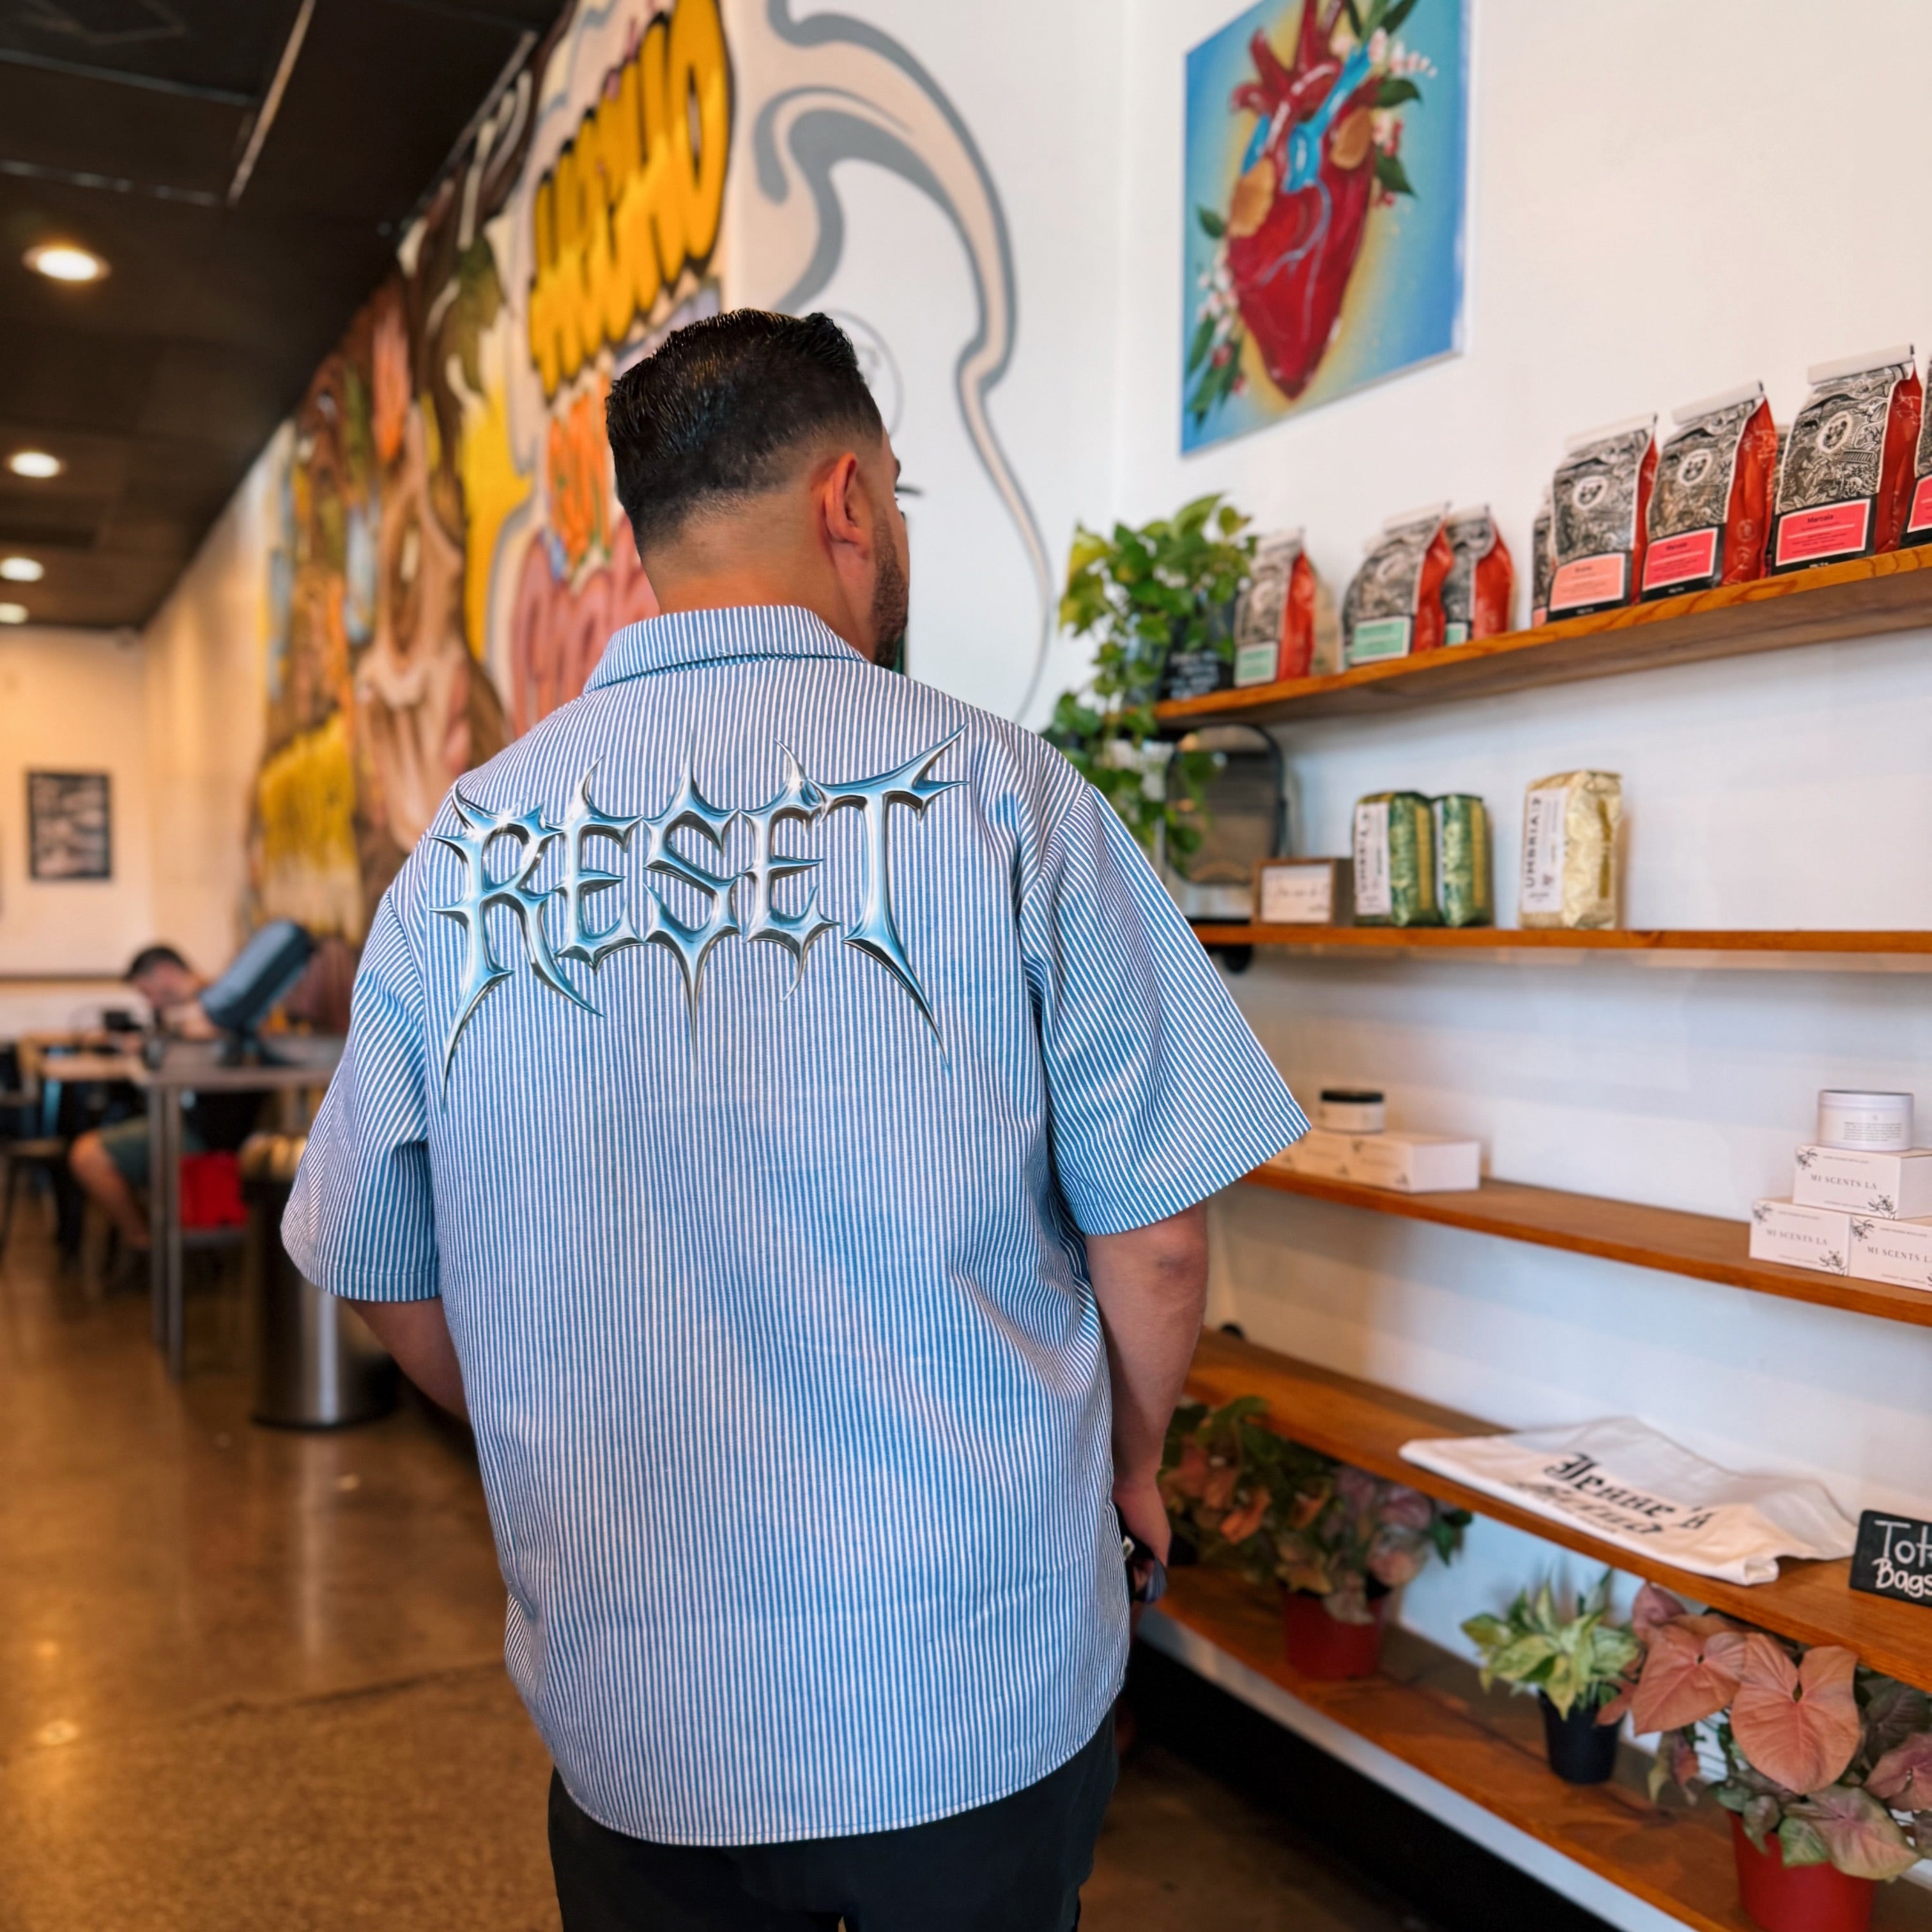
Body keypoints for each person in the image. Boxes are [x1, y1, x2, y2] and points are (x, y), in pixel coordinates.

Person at [284, 310, 1307, 1931]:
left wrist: (564, 1431)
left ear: (648, 533)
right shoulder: (1008, 796)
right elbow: (1159, 1240)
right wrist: (1128, 1464)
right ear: (850, 500)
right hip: (968, 1680)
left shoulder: (468, 847)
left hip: (635, 1713)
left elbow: (376, 1261)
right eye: (899, 498)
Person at [68, 944, 217, 1253]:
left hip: (205, 1132)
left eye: (149, 992)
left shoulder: (211, 1005)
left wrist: (153, 1045)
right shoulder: (193, 1007)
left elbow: (196, 1043)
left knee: (87, 1156)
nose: (150, 1002)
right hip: (183, 1119)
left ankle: (145, 1244)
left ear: (166, 972)